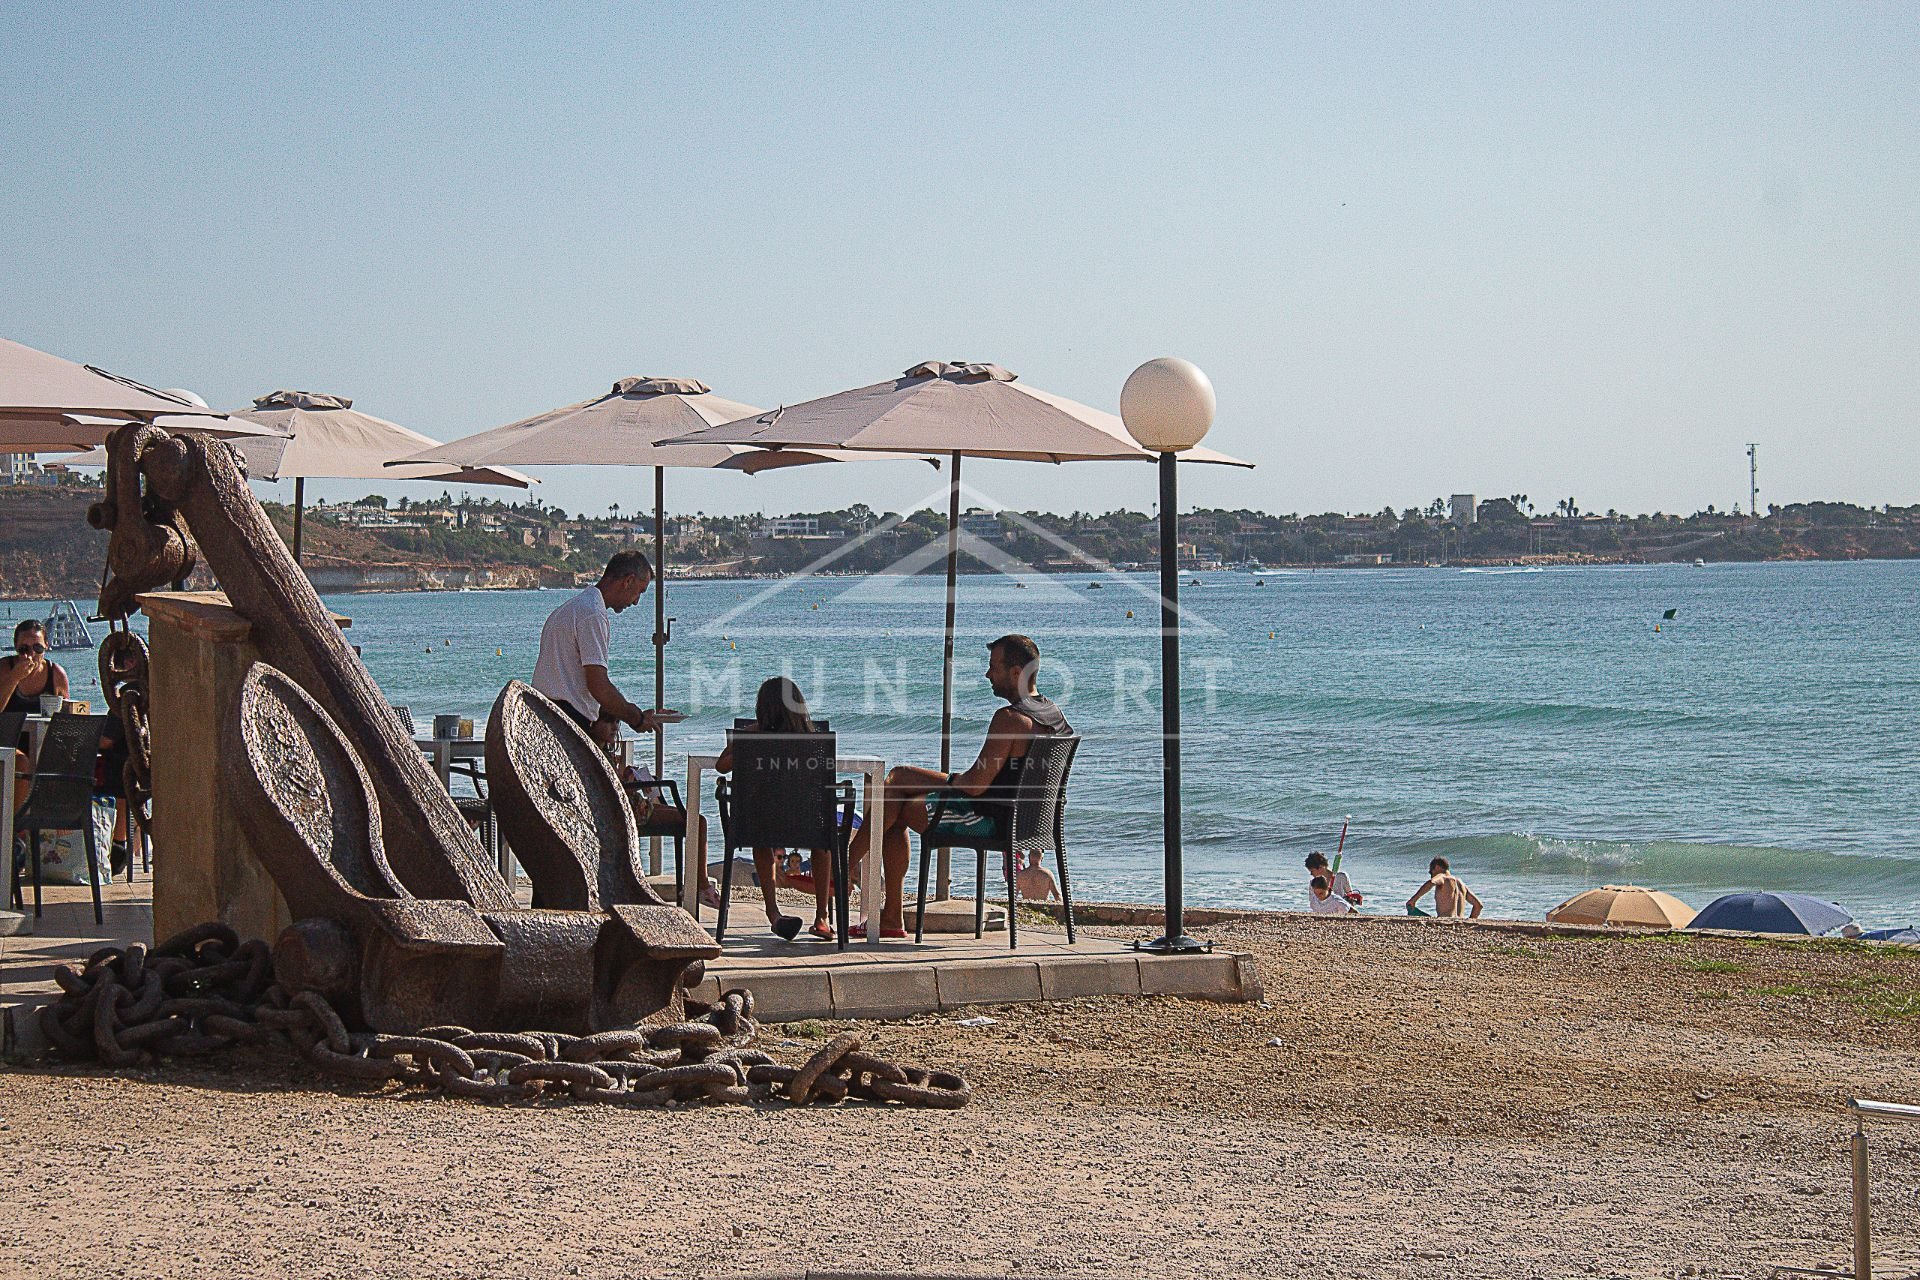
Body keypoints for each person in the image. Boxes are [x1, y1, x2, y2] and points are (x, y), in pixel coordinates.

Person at [846, 634, 1072, 939]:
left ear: (1016, 673)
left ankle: (847, 868)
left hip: (989, 823)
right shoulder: (1055, 716)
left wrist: (912, 775)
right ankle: (879, 903)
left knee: (897, 790)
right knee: (899, 793)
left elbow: (975, 785)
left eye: (994, 667)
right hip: (1027, 824)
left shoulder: (1011, 719)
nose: (987, 674)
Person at [715, 676, 834, 942]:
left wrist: (745, 741)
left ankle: (773, 913)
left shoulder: (751, 736)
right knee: (822, 843)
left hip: (760, 826)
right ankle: (822, 917)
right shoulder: (813, 741)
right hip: (807, 825)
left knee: (761, 840)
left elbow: (721, 766)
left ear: (762, 708)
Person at [532, 550, 675, 743]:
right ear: (628, 581)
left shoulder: (571, 608)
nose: (636, 601)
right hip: (565, 725)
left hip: (544, 717)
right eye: (639, 592)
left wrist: (636, 712)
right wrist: (636, 718)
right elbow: (598, 686)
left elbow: (571, 685)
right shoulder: (593, 614)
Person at [1, 620, 68, 810]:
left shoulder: (55, 674)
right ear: (15, 648)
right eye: (24, 649)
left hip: (41, 743)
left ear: (46, 645)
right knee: (22, 762)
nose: (31, 654)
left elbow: (68, 717)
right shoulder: (5, 669)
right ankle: (16, 830)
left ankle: (58, 830)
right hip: (6, 742)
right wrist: (14, 678)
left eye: (37, 647)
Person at [1407, 856, 1483, 918]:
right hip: (1460, 921)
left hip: (1446, 920)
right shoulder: (1461, 884)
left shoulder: (1442, 877)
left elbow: (1430, 883)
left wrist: (1413, 900)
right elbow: (1478, 906)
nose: (1431, 875)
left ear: (1437, 867)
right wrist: (1470, 921)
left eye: (1431, 872)